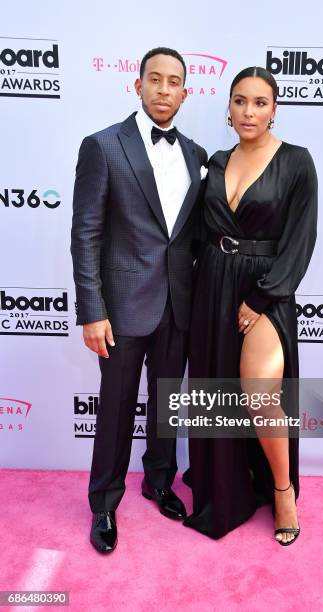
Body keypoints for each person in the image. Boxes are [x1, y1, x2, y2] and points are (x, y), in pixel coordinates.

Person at [71, 47, 207, 554]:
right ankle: (104, 502)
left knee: (167, 403)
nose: (164, 90)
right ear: (138, 85)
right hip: (123, 306)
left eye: (175, 82)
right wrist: (92, 310)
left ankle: (158, 481)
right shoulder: (103, 146)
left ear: (186, 92)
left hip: (179, 304)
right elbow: (84, 233)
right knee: (115, 407)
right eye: (156, 79)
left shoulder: (195, 154)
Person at [183, 66, 318, 544]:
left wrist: (261, 297)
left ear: (275, 108)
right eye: (240, 101)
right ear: (229, 107)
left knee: (260, 395)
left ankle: (283, 491)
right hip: (213, 286)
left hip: (268, 288)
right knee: (219, 394)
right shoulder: (216, 162)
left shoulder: (297, 162)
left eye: (260, 102)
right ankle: (225, 482)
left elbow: (301, 241)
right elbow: (197, 234)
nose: (249, 111)